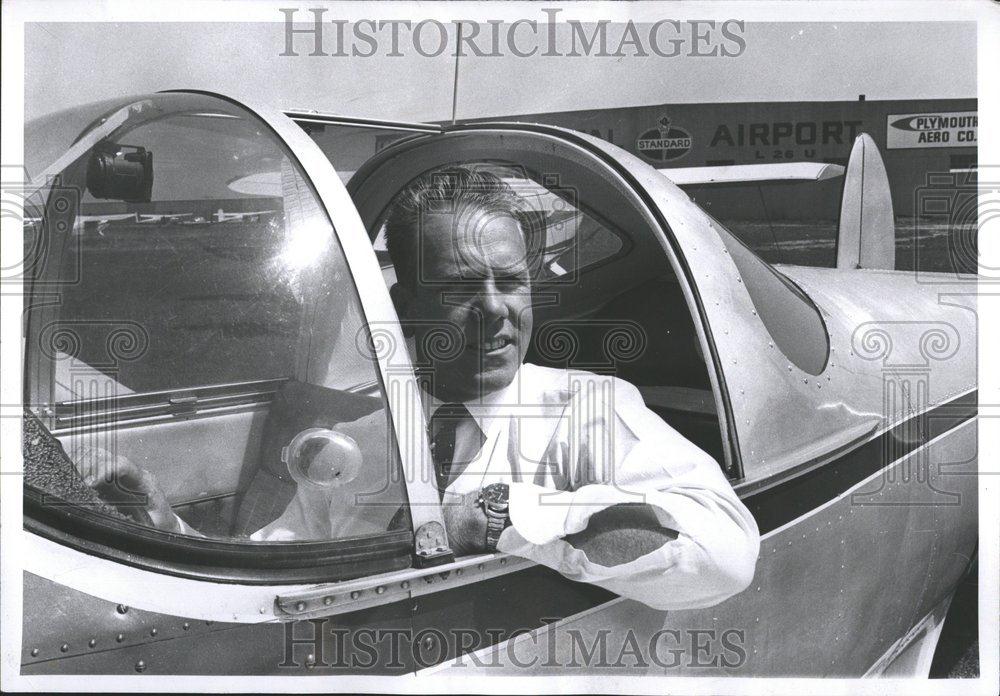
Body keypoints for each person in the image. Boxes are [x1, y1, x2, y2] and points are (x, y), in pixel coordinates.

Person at [85, 166, 759, 611]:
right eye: (463, 289)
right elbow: (284, 561)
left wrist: (493, 521)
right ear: (404, 307)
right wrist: (163, 527)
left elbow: (725, 553)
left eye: (512, 281)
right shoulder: (360, 440)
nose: (497, 311)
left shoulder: (588, 411)